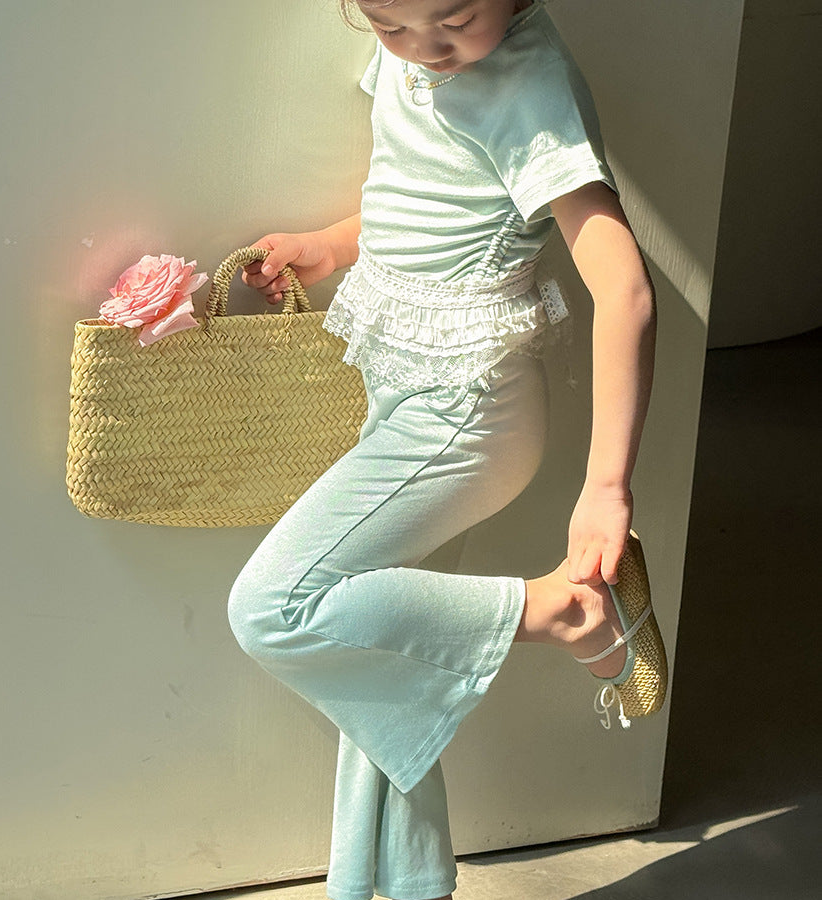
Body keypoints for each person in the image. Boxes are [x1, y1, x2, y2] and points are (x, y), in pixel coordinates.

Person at [228, 2, 667, 898]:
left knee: (273, 607)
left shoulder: (532, 86)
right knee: (381, 665)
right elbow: (415, 197)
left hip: (465, 413)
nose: (426, 49)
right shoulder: (410, 54)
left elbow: (624, 289)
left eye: (455, 20)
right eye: (390, 25)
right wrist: (327, 246)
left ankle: (567, 611)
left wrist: (607, 486)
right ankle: (401, 886)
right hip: (401, 396)